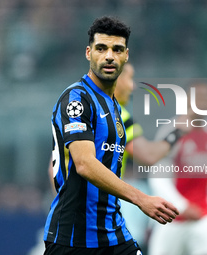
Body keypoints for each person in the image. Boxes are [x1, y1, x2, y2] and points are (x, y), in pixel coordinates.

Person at [43, 16, 179, 255]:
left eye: (117, 50)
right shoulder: (77, 99)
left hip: (113, 233)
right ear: (88, 53)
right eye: (101, 48)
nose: (109, 56)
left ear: (126, 56)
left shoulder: (116, 107)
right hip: (73, 239)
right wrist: (141, 199)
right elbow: (84, 164)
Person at [148, 82, 207, 255]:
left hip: (204, 216)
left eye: (206, 98)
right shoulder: (171, 131)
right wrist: (182, 207)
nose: (203, 102)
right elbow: (157, 177)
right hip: (172, 218)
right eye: (198, 97)